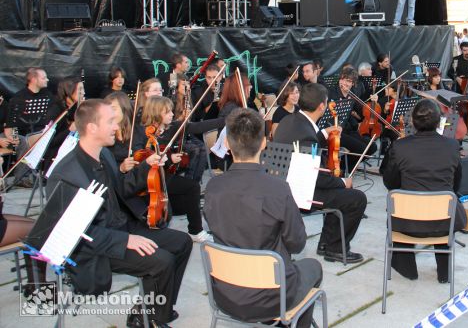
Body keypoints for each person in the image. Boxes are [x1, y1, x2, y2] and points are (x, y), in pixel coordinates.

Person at [46, 99, 192, 328]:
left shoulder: (103, 155)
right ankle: (152, 319)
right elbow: (75, 234)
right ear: (92, 127)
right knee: (161, 261)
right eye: (111, 121)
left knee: (182, 242)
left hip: (122, 227)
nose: (117, 126)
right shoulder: (66, 174)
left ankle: (154, 311)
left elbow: (121, 190)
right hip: (98, 244)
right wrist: (126, 240)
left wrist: (147, 167)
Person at [204, 108, 322, 327]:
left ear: (227, 145)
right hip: (271, 297)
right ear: (264, 143)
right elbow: (297, 244)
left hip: (225, 294)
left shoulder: (213, 187)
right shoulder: (277, 188)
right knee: (314, 267)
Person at [273, 83, 366, 264]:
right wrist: (342, 182)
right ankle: (336, 248)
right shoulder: (306, 133)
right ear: (322, 106)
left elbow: (306, 142)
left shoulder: (290, 121)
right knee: (355, 198)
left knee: (337, 194)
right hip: (299, 193)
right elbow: (317, 177)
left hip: (283, 185)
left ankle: (326, 243)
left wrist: (325, 133)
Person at [379, 99, 467, 283]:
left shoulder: (400, 146)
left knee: (399, 203)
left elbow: (390, 182)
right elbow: (456, 184)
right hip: (444, 221)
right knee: (447, 202)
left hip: (407, 221)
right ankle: (444, 272)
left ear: (412, 120)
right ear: (439, 122)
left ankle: (407, 269)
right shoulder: (452, 146)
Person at [133, 96, 219, 240]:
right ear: (156, 113)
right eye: (167, 112)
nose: (172, 115)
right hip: (151, 179)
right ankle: (195, 231)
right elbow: (141, 157)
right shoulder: (142, 133)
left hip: (165, 176)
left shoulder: (171, 127)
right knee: (192, 187)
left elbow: (197, 127)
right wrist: (168, 160)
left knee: (186, 198)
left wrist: (228, 120)